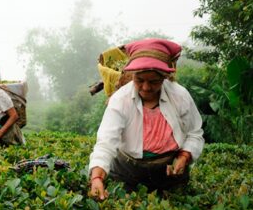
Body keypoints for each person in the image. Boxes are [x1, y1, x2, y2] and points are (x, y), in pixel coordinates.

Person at [88, 38, 205, 200]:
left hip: (170, 172)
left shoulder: (180, 96)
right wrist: (97, 178)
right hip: (127, 172)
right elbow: (106, 142)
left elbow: (194, 133)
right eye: (140, 80)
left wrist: (184, 156)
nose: (146, 87)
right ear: (131, 75)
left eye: (153, 81)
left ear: (164, 77)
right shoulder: (121, 100)